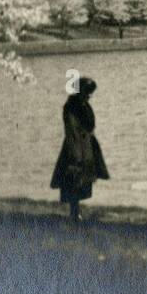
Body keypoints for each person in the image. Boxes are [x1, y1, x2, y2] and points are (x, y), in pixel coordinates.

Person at [50, 77, 110, 221]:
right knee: (74, 177)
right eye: (87, 92)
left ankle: (76, 211)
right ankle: (74, 212)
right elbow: (72, 130)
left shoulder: (83, 105)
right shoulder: (71, 107)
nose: (89, 95)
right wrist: (76, 153)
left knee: (81, 178)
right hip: (76, 145)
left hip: (86, 144)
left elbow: (90, 125)